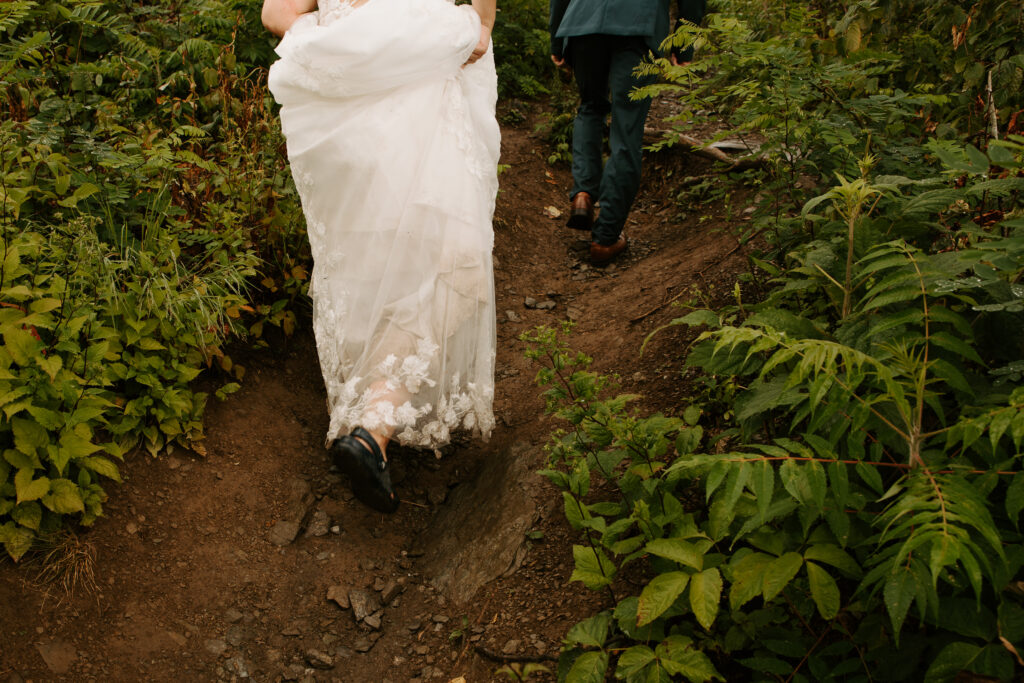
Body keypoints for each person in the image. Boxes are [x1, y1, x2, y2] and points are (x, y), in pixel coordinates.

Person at [262, 0, 500, 513]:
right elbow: (478, 38)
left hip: (349, 125)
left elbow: (277, 13)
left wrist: (349, 42)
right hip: (417, 112)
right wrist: (434, 30)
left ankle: (371, 422)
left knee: (378, 264)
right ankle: (374, 423)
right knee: (456, 262)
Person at [549, 0, 705, 265]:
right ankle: (605, 238)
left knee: (589, 107)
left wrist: (557, 37)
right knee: (627, 127)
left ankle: (583, 194)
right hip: (638, 27)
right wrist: (684, 45)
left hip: (583, 20)